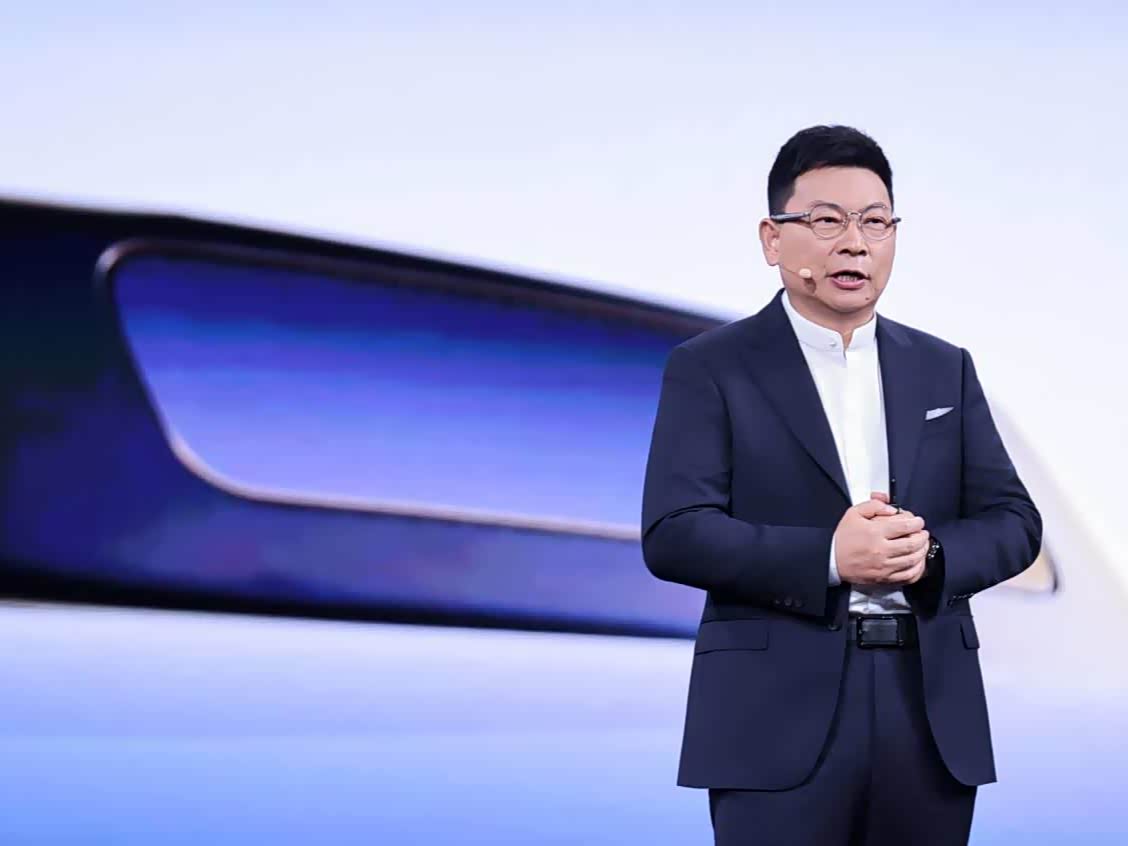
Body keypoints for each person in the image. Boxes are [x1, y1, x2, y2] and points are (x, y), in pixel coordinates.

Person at [640, 125, 1042, 846]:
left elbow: (1014, 521)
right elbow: (675, 532)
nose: (855, 244)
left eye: (875, 222)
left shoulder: (944, 367)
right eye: (827, 221)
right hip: (772, 719)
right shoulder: (711, 367)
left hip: (928, 714)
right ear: (772, 239)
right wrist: (831, 557)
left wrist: (929, 556)